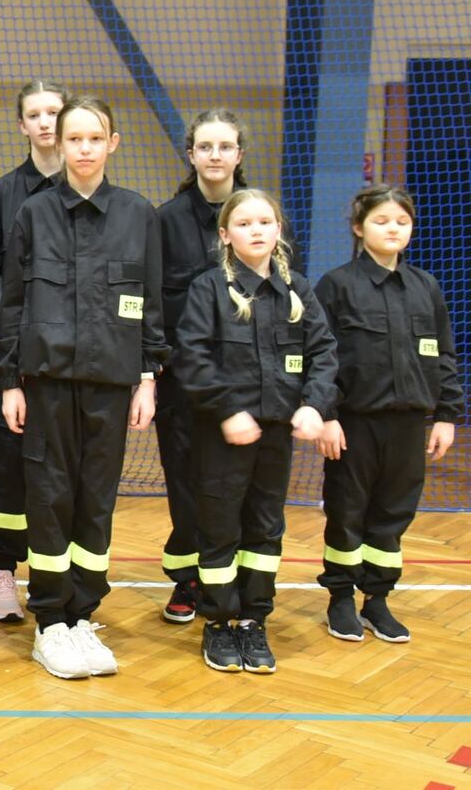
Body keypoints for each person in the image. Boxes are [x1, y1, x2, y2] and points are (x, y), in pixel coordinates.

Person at [0, 95, 166, 680]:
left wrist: (147, 378)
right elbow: (12, 305)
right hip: (44, 384)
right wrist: (9, 383)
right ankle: (50, 623)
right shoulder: (33, 213)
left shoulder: (139, 214)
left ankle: (82, 614)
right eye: (75, 139)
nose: (85, 149)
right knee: (49, 496)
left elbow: (152, 305)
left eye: (95, 138)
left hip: (113, 385)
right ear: (58, 144)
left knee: (97, 498)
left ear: (112, 143)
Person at [172, 189, 334, 673]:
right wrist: (227, 411)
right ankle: (219, 621)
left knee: (265, 527)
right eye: (243, 224)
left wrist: (314, 405)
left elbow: (324, 353)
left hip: (276, 436)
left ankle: (252, 619)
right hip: (221, 436)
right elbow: (192, 356)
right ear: (225, 235)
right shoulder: (208, 289)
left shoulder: (298, 290)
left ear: (278, 230)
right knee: (220, 526)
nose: (256, 230)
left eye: (265, 222)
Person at [314, 184, 462, 644]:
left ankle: (376, 599)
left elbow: (444, 355)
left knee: (394, 512)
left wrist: (446, 414)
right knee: (347, 509)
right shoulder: (337, 285)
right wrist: (326, 415)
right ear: (359, 228)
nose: (393, 228)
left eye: (402, 221)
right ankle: (340, 598)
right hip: (354, 424)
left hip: (409, 425)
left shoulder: (425, 287)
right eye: (381, 221)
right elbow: (321, 356)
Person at [0, 80, 67, 624]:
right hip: (16, 364)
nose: (46, 122)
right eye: (36, 113)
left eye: (55, 111)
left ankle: (60, 582)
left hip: (74, 367)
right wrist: (14, 337)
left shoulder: (91, 193)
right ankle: (3, 573)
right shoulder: (5, 194)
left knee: (66, 477)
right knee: (9, 473)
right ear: (22, 124)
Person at [153, 109, 249, 624]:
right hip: (182, 383)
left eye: (225, 146)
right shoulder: (164, 220)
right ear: (191, 155)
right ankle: (188, 578)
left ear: (239, 154)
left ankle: (236, 579)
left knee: (238, 483)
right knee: (186, 479)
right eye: (205, 147)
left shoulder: (260, 215)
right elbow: (150, 301)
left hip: (247, 381)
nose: (215, 155)